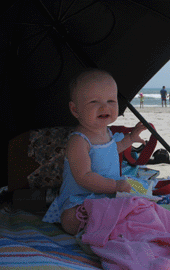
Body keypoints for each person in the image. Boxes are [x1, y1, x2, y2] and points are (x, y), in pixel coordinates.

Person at [42, 69, 146, 235]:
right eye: (94, 102)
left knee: (136, 200)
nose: (105, 106)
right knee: (71, 219)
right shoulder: (79, 141)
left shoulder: (107, 133)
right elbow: (84, 177)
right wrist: (115, 185)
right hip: (82, 198)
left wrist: (130, 138)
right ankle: (101, 225)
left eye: (111, 100)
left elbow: (112, 150)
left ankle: (112, 222)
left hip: (109, 194)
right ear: (75, 110)